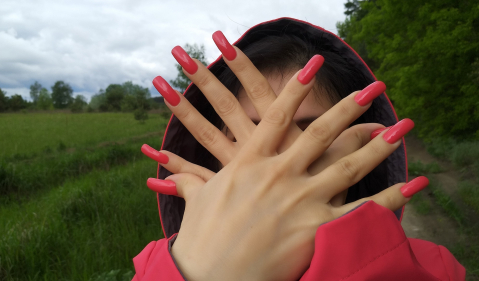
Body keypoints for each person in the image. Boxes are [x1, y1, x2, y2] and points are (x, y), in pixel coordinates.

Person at [132, 18, 466, 280]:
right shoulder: (156, 264)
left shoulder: (432, 269)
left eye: (308, 137)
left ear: (358, 149)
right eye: (245, 136)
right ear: (211, 150)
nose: (274, 167)